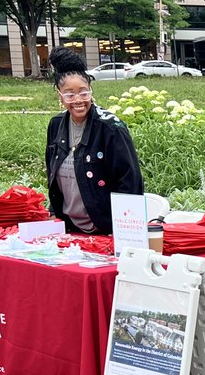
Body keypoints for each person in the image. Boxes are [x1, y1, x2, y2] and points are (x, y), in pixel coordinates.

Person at [45, 46, 143, 234]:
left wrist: (126, 234)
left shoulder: (110, 127)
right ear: (60, 95)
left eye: (83, 92)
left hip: (106, 229)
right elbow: (52, 174)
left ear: (91, 90)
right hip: (69, 228)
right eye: (69, 94)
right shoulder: (56, 125)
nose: (78, 100)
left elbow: (130, 181)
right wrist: (53, 212)